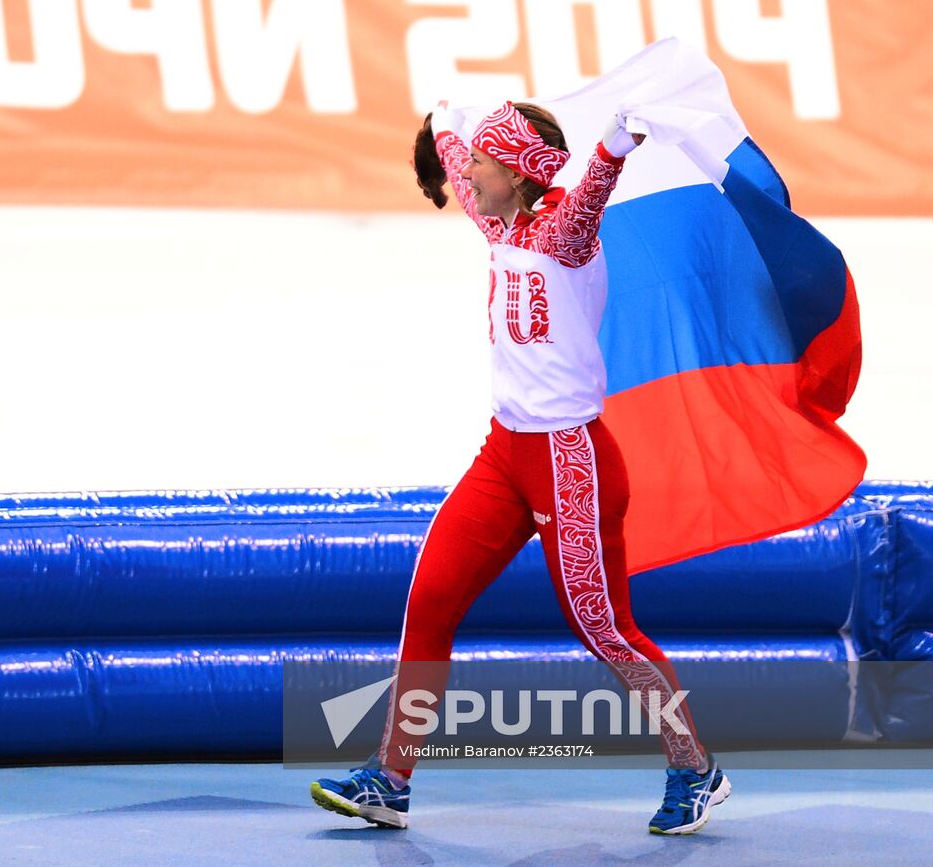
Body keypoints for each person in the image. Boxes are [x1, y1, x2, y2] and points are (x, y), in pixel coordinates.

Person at [309, 101, 731, 835]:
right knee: (432, 596)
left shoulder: (564, 234)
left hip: (571, 461)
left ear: (518, 172)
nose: (468, 174)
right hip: (505, 451)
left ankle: (696, 769)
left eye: (481, 161)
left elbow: (591, 192)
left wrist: (609, 147)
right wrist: (444, 118)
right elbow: (452, 161)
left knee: (604, 628)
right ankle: (391, 780)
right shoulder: (497, 220)